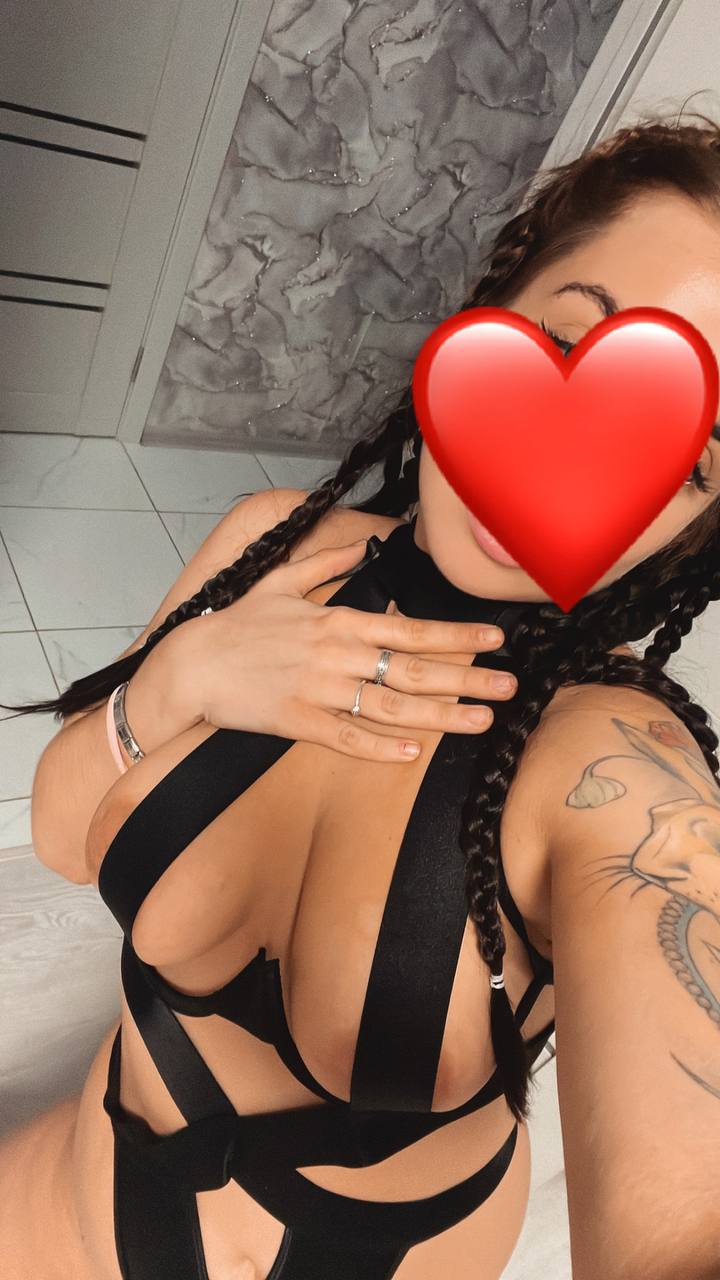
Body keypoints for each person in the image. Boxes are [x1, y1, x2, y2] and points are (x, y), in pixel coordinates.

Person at [1, 113, 719, 1280]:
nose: (567, 459)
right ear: (488, 307)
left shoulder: (610, 755)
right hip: (80, 1176)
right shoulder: (276, 546)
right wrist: (182, 677)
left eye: (685, 455)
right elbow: (55, 832)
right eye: (565, 339)